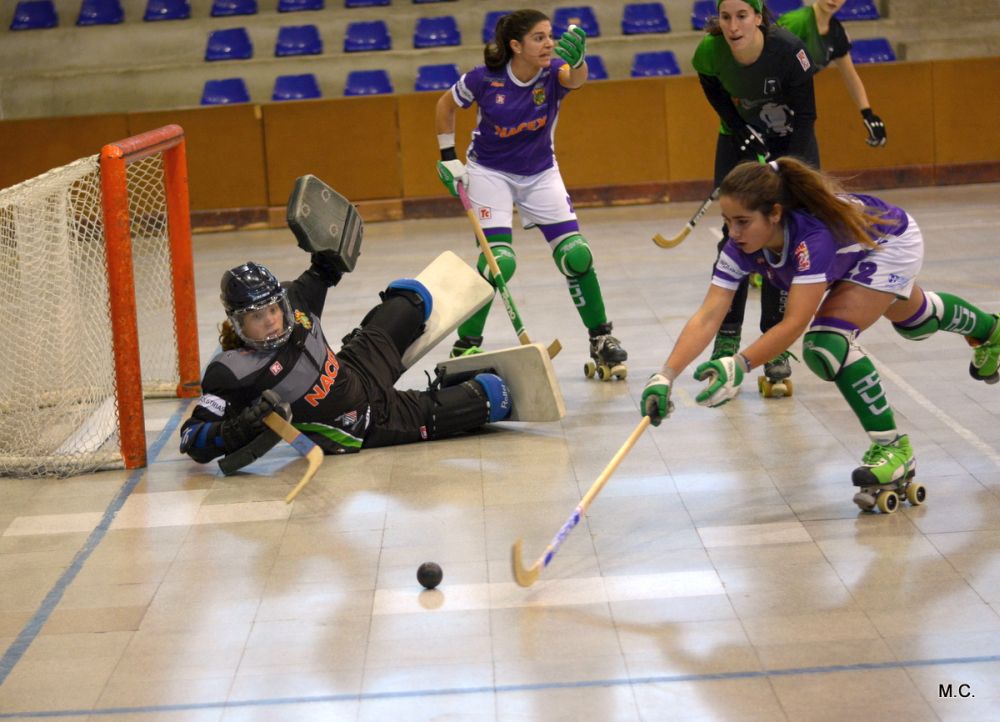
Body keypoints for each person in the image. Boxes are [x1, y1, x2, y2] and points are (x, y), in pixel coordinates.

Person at [640, 157, 1000, 510]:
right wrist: (665, 374)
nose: (733, 233)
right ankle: (990, 331)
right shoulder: (739, 246)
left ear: (775, 213)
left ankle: (893, 448)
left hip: (891, 243)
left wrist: (740, 364)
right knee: (915, 321)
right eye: (727, 221)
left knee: (826, 344)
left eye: (743, 222)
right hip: (853, 252)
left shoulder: (810, 239)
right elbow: (708, 315)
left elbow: (795, 322)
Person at [179, 255, 512, 471]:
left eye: (272, 309)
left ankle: (425, 378)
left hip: (356, 367)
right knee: (495, 395)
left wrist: (329, 255)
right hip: (362, 425)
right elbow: (191, 441)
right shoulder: (232, 372)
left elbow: (324, 269)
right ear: (237, 323)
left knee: (413, 296)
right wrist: (240, 427)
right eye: (256, 316)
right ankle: (445, 392)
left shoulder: (295, 302)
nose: (270, 321)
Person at [434, 9, 627, 379]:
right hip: (489, 174)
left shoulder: (553, 73)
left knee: (577, 255)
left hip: (539, 173)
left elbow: (577, 79)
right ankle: (467, 342)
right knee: (498, 262)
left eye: (550, 36)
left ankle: (602, 338)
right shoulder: (483, 79)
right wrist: (447, 157)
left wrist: (580, 60)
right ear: (515, 45)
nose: (550, 44)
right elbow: (445, 105)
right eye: (540, 38)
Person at [692, 0, 820, 391]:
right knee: (739, 234)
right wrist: (737, 126)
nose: (733, 25)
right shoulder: (710, 52)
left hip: (791, 141)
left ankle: (774, 343)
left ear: (758, 17)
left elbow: (807, 115)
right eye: (726, 17)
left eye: (742, 16)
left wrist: (787, 167)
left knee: (781, 237)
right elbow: (712, 89)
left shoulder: (789, 50)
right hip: (740, 140)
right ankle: (727, 335)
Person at [778, 0, 888, 149]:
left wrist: (867, 114)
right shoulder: (796, 22)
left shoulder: (836, 34)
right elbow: (765, 60)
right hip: (772, 108)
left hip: (799, 112)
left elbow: (850, 75)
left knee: (805, 166)